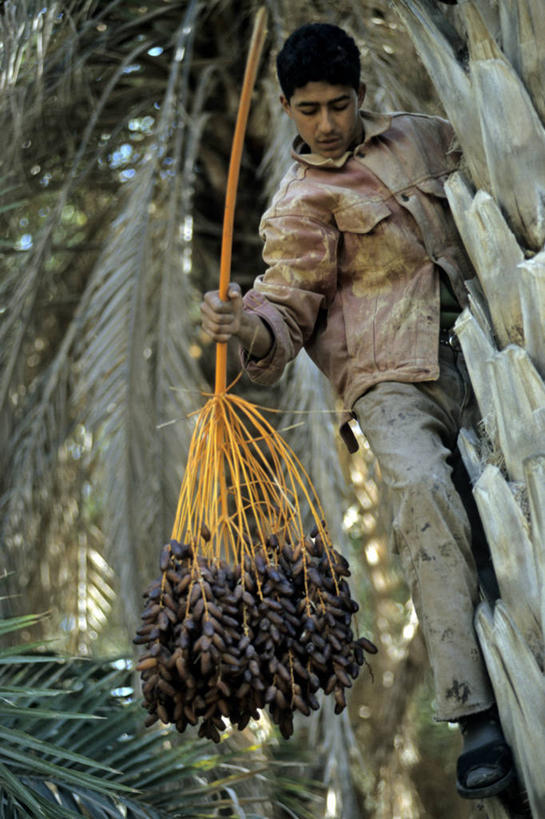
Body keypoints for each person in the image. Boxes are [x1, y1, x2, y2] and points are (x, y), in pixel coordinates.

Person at [200, 22, 514, 800]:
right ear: (285, 107)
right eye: (308, 110)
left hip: (490, 353)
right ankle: (473, 714)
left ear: (360, 94)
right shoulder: (299, 203)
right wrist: (243, 325)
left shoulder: (422, 138)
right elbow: (284, 302)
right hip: (389, 383)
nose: (327, 123)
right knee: (423, 494)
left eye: (338, 105)